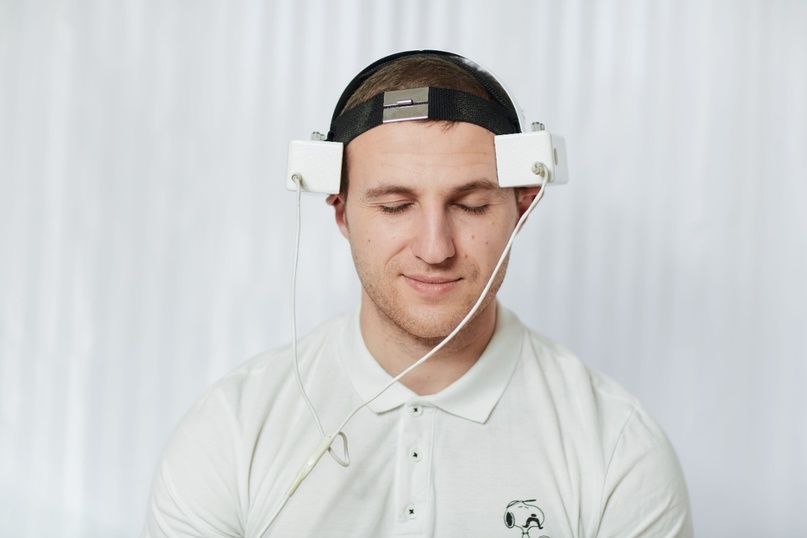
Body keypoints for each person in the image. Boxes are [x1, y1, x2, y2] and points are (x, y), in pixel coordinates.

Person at [143, 51, 693, 538]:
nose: (435, 248)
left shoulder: (617, 450)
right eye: (395, 206)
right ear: (341, 212)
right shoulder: (232, 433)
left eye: (471, 205)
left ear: (522, 207)